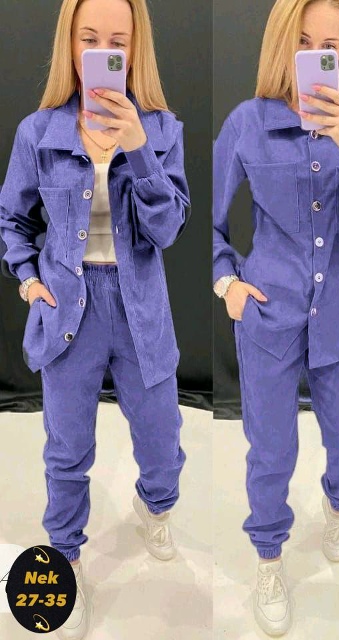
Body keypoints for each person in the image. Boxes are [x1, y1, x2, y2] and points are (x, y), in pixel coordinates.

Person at [0, 0, 190, 637]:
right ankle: (67, 555)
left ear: (135, 49)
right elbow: (12, 219)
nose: (103, 51)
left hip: (140, 309)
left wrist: (139, 149)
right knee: (66, 449)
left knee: (163, 444)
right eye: (89, 38)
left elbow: (167, 229)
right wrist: (29, 280)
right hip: (66, 308)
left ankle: (154, 507)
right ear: (70, 45)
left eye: (117, 40)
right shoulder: (39, 132)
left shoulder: (162, 129)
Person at [213, 0, 339, 634]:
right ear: (282, 44)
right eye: (303, 41)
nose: (315, 56)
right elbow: (206, 216)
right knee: (270, 451)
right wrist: (227, 282)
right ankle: (268, 556)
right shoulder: (247, 123)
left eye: (328, 47)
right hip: (268, 317)